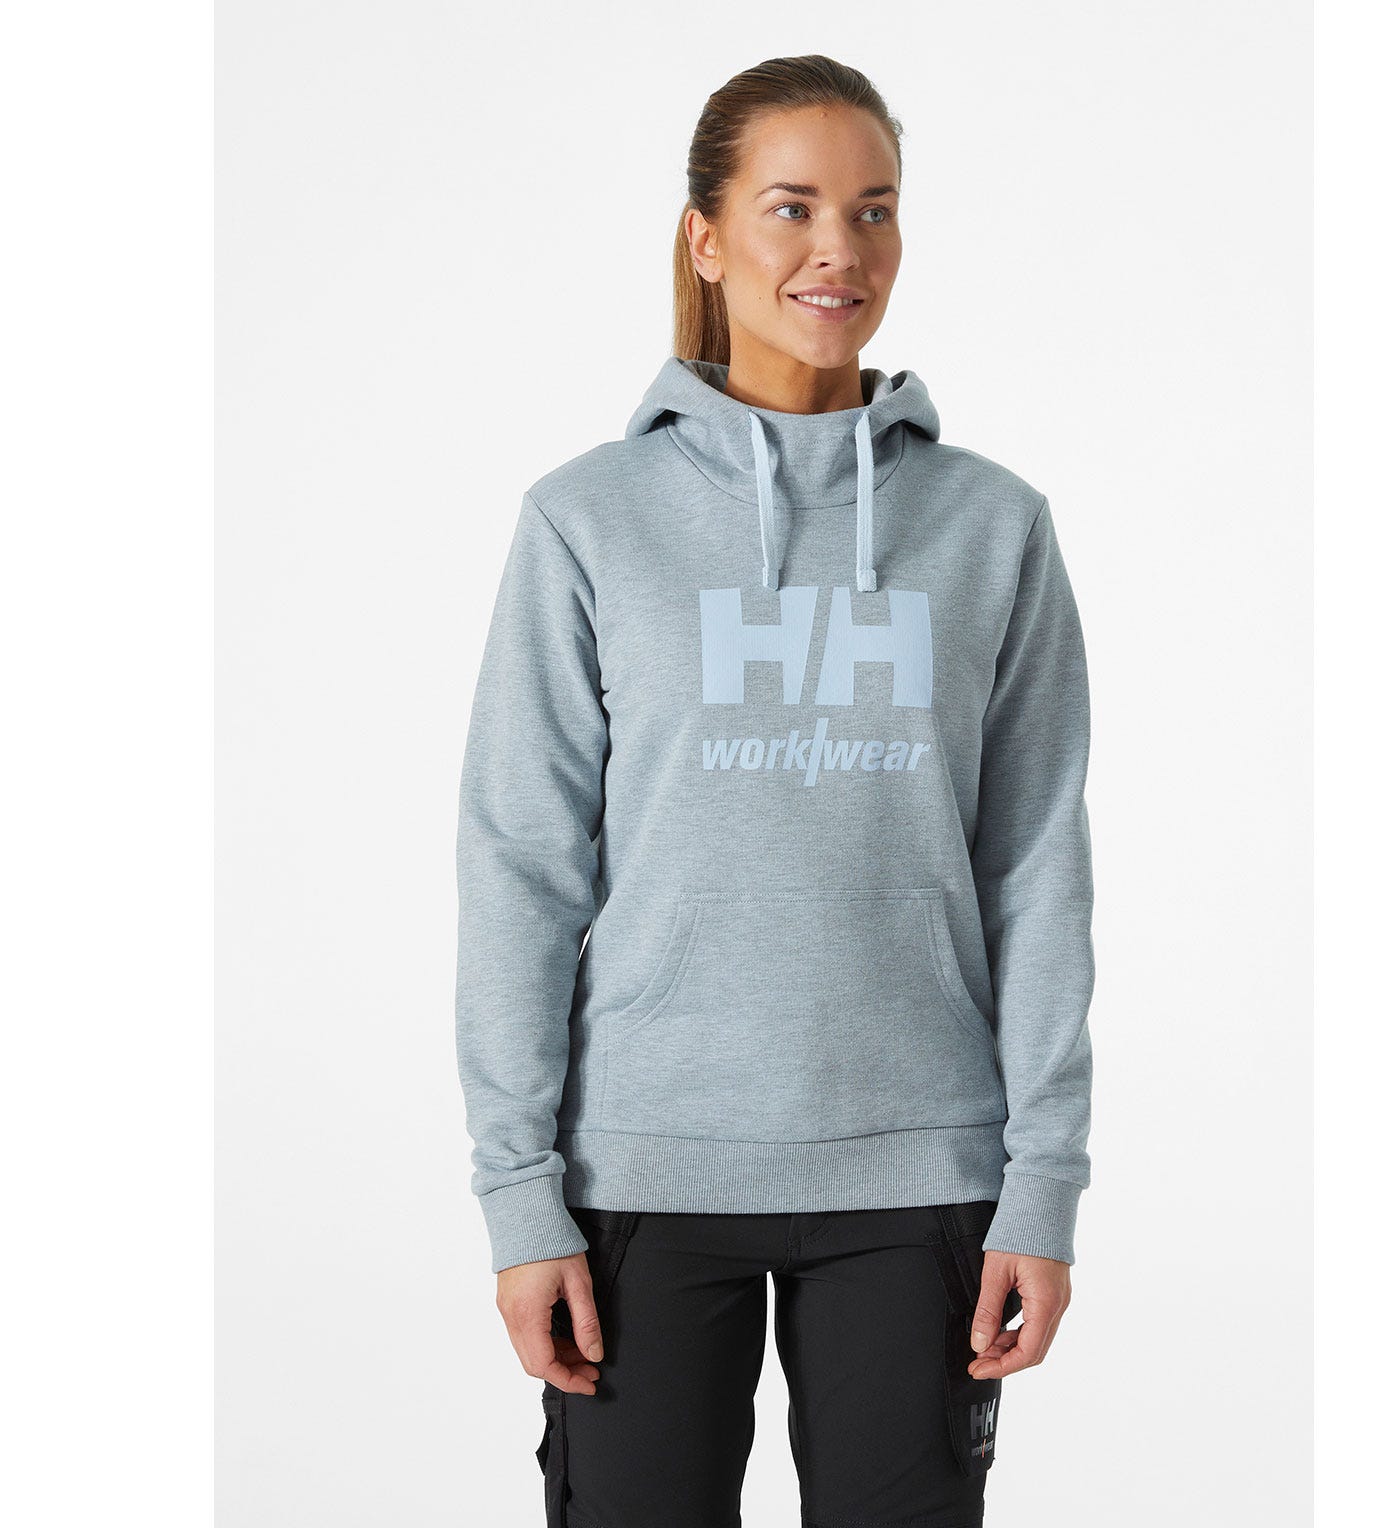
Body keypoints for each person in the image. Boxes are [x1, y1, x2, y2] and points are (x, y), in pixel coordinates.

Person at [455, 53, 1095, 1528]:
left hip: (918, 1167)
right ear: (706, 236)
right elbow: (520, 865)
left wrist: (1045, 1180)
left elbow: (1037, 864)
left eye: (873, 210)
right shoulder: (587, 520)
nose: (838, 250)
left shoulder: (993, 525)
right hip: (644, 1168)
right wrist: (518, 1193)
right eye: (792, 206)